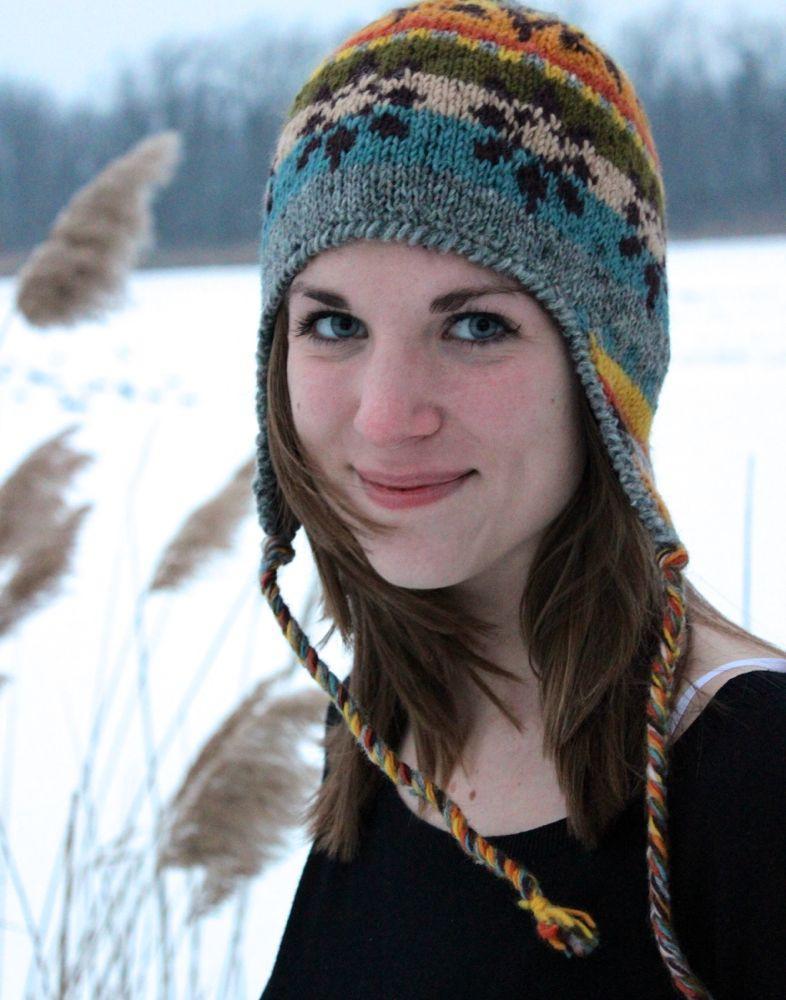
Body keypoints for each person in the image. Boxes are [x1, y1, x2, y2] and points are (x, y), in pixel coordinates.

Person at [252, 2, 786, 997]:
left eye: (476, 327)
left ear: (605, 373)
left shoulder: (750, 776)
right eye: (334, 324)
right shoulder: (382, 729)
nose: (386, 416)